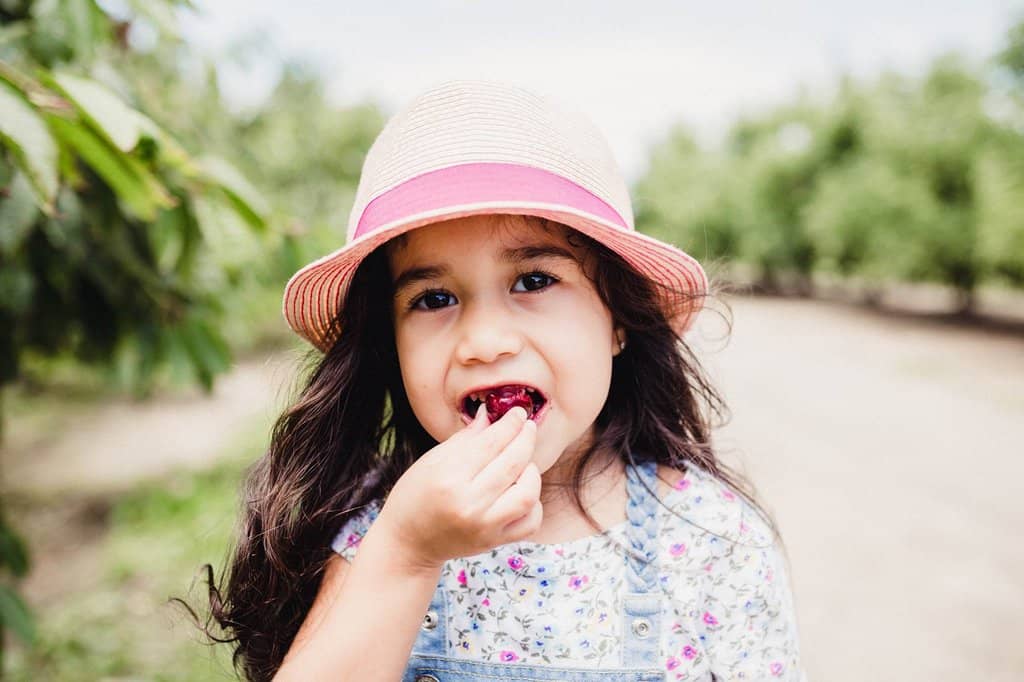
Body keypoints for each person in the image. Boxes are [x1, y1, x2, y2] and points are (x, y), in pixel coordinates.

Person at [197, 79, 803, 681]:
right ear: (390, 346)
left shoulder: (713, 542)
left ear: (618, 319)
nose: (486, 343)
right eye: (434, 297)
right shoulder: (377, 529)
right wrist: (407, 553)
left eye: (534, 281)